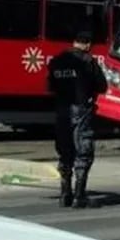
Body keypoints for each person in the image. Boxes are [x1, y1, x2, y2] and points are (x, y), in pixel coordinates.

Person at [46, 30, 107, 209]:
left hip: (62, 110)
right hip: (82, 110)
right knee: (83, 151)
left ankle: (65, 194)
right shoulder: (88, 61)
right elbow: (102, 86)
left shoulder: (56, 62)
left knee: (65, 151)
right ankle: (79, 196)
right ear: (87, 44)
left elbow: (50, 86)